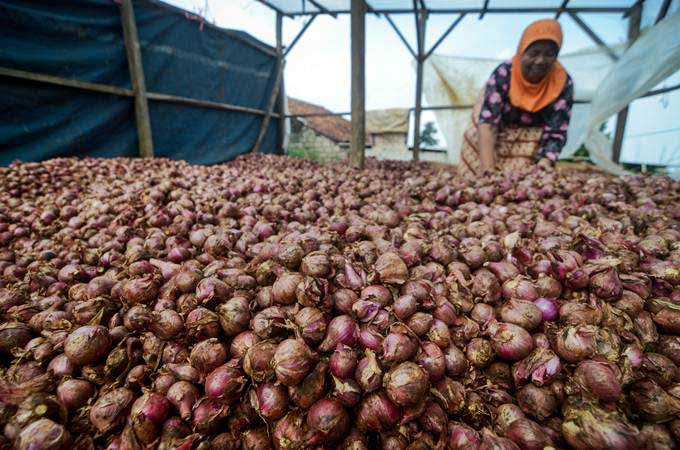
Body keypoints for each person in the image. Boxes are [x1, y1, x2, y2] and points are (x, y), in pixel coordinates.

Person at [458, 19, 574, 177]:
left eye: (549, 54)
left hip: (530, 139)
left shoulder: (562, 83)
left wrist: (545, 161)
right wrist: (487, 170)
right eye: (534, 53)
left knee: (519, 182)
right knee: (477, 177)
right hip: (494, 129)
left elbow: (557, 130)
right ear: (521, 51)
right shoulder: (505, 73)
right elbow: (488, 125)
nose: (540, 61)